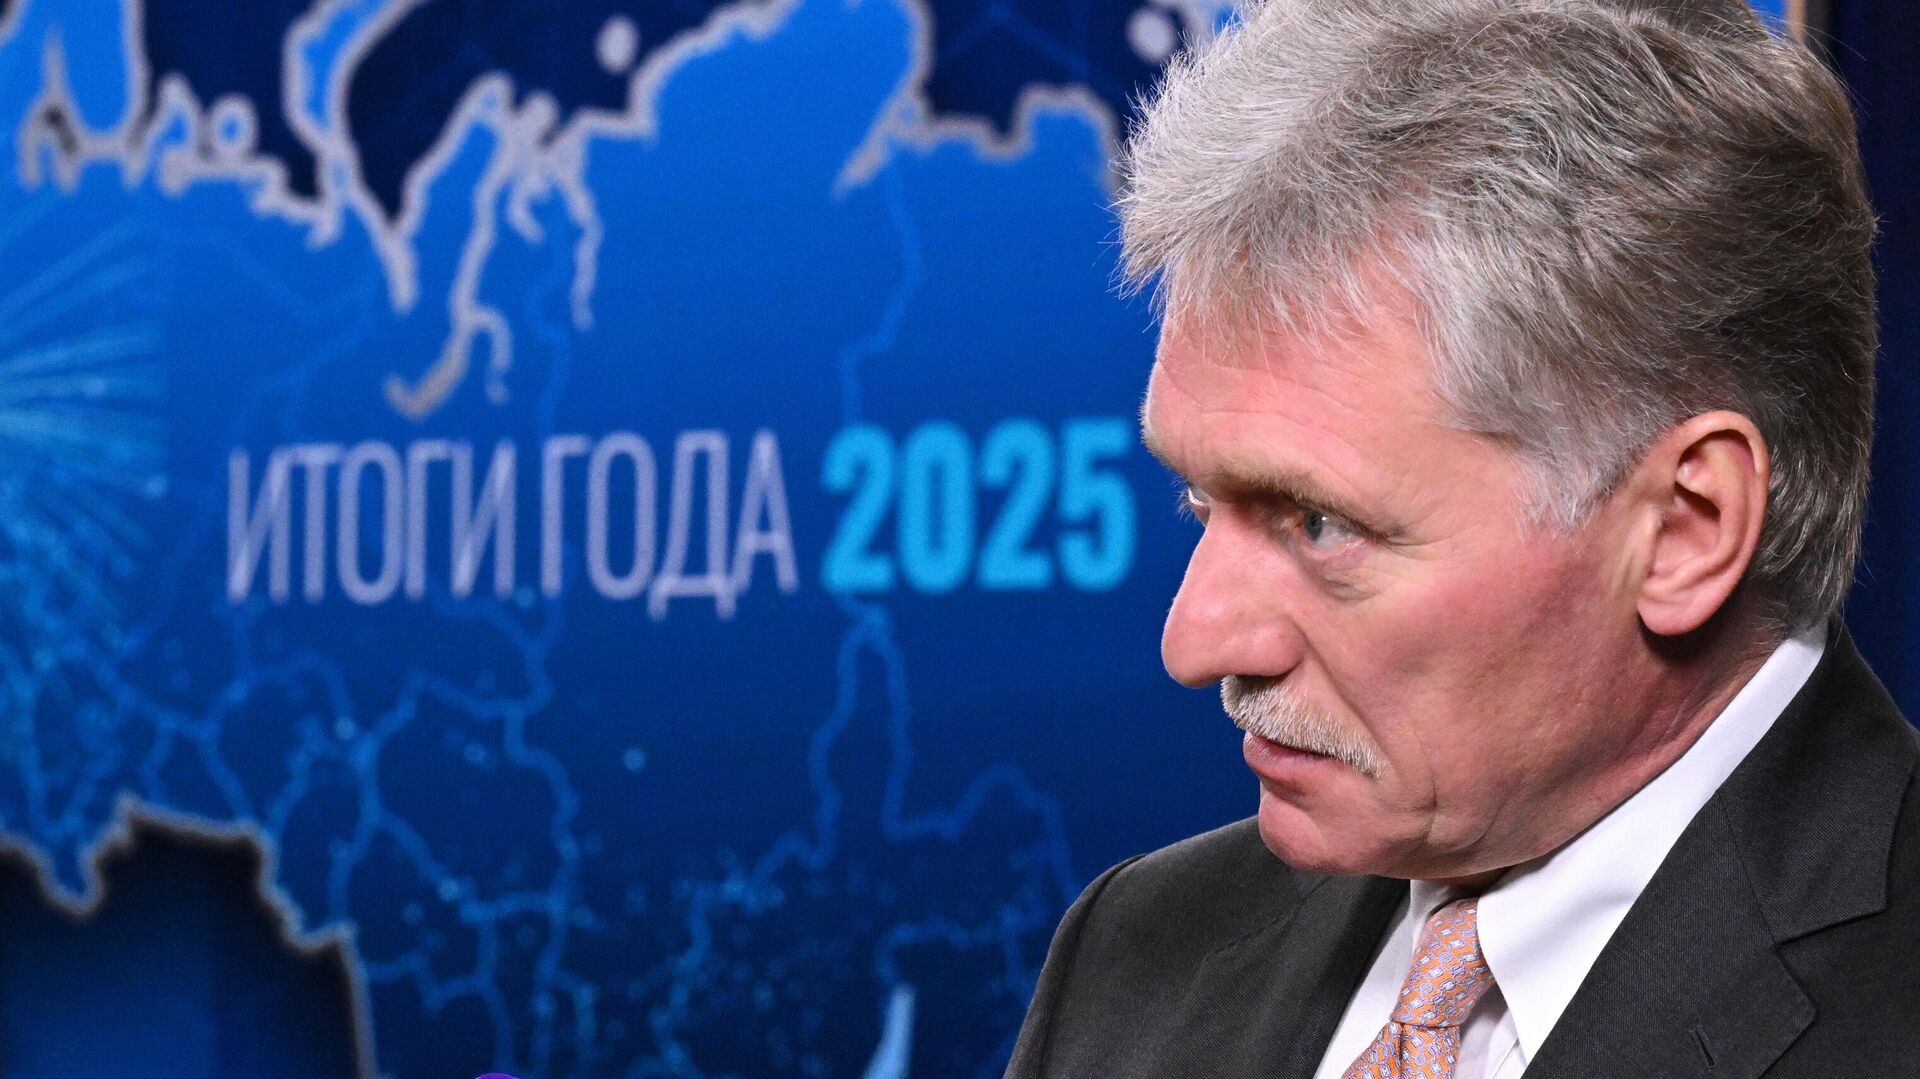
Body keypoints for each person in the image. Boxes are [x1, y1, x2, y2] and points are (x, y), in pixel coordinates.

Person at [1005, 1, 1920, 1076]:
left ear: (1685, 529)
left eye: (1320, 524)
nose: (1195, 641)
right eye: (1199, 502)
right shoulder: (1134, 954)